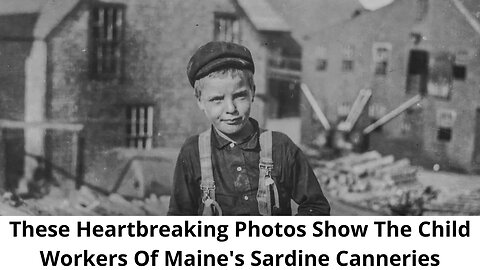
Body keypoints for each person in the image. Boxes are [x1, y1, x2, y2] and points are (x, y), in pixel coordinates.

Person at [168, 41, 330, 216]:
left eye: (239, 96)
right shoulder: (192, 153)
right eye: (217, 99)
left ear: (252, 91)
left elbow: (317, 207)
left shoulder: (281, 147)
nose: (230, 108)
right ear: (200, 100)